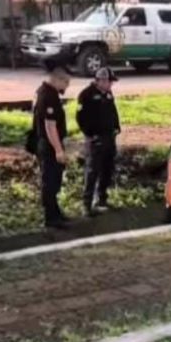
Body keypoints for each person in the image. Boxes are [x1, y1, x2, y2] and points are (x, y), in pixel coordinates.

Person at [76, 67, 121, 216]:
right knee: (92, 171)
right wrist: (90, 134)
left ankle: (102, 199)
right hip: (95, 139)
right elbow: (80, 118)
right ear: (101, 80)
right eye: (109, 82)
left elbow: (113, 110)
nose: (111, 85)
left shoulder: (108, 93)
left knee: (107, 169)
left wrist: (116, 127)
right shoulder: (86, 95)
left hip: (109, 137)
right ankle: (86, 204)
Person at [34, 62, 72, 229]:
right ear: (58, 79)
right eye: (66, 83)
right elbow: (50, 126)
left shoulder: (43, 92)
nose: (67, 86)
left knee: (54, 180)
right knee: (50, 181)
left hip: (47, 142)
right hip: (49, 144)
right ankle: (51, 217)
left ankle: (55, 212)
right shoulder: (48, 96)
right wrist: (58, 150)